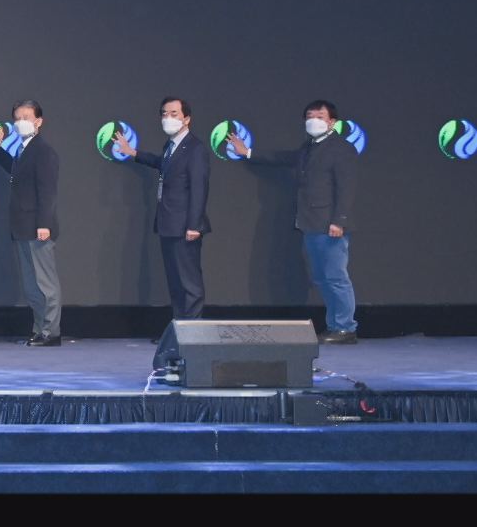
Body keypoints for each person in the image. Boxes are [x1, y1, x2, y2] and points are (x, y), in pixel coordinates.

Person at [227, 100, 360, 343]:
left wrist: (339, 220)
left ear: (332, 122)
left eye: (319, 116)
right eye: (309, 116)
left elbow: (346, 188)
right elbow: (283, 158)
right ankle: (335, 326)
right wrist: (247, 152)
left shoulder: (341, 148)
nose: (313, 120)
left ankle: (346, 328)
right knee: (322, 278)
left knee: (335, 277)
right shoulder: (308, 147)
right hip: (311, 223)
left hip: (330, 225)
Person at [112, 97, 212, 324]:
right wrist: (133, 152)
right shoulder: (170, 146)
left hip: (185, 226)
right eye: (164, 114)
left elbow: (199, 188)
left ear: (187, 118)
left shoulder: (195, 149)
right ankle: (178, 329)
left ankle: (192, 331)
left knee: (189, 282)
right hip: (168, 223)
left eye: (174, 114)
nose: (168, 118)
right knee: (175, 282)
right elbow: (163, 164)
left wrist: (194, 225)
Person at [0, 101, 63, 346]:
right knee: (32, 285)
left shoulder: (44, 151)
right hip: (22, 227)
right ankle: (39, 329)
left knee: (46, 283)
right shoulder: (23, 150)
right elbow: (18, 174)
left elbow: (48, 192)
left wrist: (44, 224)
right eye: (17, 118)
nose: (21, 122)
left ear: (39, 121)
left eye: (26, 117)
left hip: (38, 227)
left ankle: (51, 332)